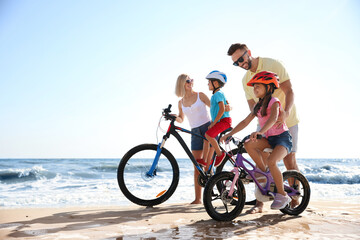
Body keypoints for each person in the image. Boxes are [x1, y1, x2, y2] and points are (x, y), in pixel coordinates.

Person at [227, 43, 300, 213]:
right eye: (235, 63)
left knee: (289, 161)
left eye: (241, 59)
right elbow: (254, 109)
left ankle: (295, 201)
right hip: (266, 127)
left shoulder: (273, 65)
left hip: (286, 119)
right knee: (262, 162)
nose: (240, 64)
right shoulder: (246, 81)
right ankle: (260, 203)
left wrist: (286, 112)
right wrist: (257, 132)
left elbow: (289, 90)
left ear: (249, 53)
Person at [221, 71, 292, 210]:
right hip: (269, 139)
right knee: (248, 144)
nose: (255, 89)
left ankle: (283, 195)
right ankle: (264, 172)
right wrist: (229, 133)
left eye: (258, 86)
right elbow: (245, 121)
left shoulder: (274, 102)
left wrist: (260, 131)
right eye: (254, 87)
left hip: (282, 139)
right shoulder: (257, 106)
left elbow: (273, 118)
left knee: (272, 161)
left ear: (269, 87)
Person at [173, 74, 213, 204]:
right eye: (188, 81)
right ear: (182, 84)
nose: (191, 82)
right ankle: (198, 199)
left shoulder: (200, 95)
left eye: (191, 80)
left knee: (207, 165)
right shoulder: (181, 102)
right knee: (197, 166)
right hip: (194, 132)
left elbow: (214, 107)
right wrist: (174, 117)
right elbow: (181, 119)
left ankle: (210, 195)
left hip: (207, 128)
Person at [205, 70, 232, 168]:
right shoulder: (216, 95)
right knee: (208, 136)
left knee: (208, 135)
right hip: (220, 121)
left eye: (209, 82)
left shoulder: (218, 94)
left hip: (224, 121)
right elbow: (218, 110)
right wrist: (213, 122)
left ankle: (220, 154)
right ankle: (207, 160)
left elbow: (222, 109)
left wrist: (214, 123)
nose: (207, 84)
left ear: (215, 83)